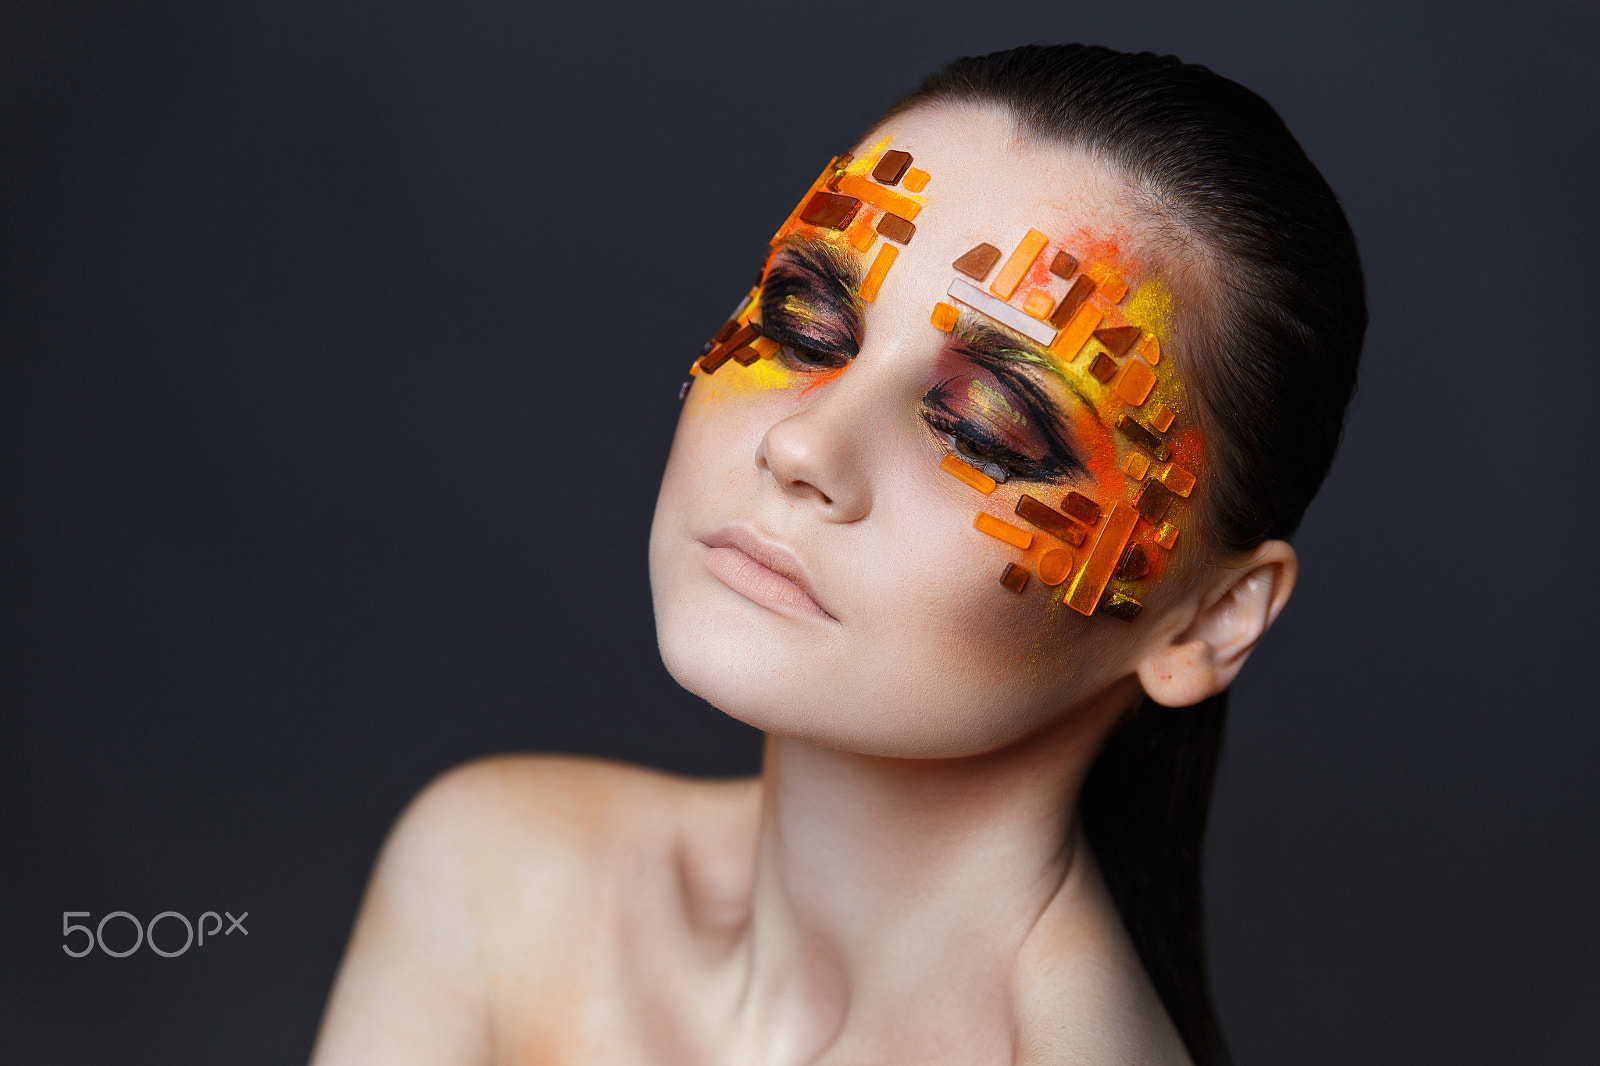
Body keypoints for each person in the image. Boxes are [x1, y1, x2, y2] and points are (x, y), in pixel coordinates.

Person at [310, 43, 1364, 1066]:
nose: (801, 441)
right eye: (803, 324)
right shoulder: (497, 875)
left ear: (1209, 619)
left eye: (988, 425)